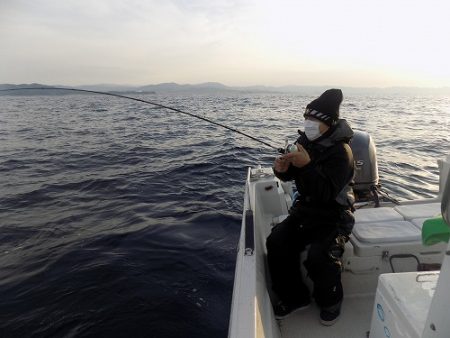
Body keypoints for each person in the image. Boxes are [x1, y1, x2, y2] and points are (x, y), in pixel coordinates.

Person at [266, 89, 355, 326]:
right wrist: (281, 170)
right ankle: (295, 297)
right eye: (307, 118)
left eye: (314, 120)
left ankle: (331, 302)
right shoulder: (304, 142)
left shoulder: (342, 153)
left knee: (320, 255)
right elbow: (291, 175)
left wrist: (305, 166)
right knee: (277, 241)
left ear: (328, 123)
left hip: (334, 215)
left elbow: (326, 193)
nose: (309, 124)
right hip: (305, 210)